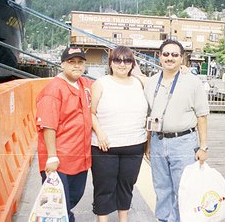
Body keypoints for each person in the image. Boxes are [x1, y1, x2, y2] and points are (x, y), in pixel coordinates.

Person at [144, 39, 210, 222]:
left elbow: (202, 116)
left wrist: (203, 147)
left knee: (183, 188)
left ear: (182, 58)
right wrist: (148, 144)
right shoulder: (151, 82)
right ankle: (163, 219)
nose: (170, 58)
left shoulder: (192, 81)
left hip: (183, 142)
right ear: (159, 57)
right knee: (161, 188)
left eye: (175, 55)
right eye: (166, 54)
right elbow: (150, 115)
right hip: (158, 141)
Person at [36, 46, 93, 222]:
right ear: (62, 64)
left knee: (74, 196)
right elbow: (48, 125)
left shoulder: (84, 84)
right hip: (59, 159)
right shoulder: (53, 90)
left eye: (80, 62)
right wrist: (52, 157)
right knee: (59, 205)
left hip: (80, 158)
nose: (76, 66)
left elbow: (110, 84)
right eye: (71, 62)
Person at [91, 46, 148, 222]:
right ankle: (103, 219)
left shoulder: (140, 82)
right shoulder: (100, 83)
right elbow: (90, 112)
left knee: (127, 185)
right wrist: (100, 133)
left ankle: (123, 219)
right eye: (117, 60)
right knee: (104, 185)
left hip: (135, 143)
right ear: (111, 63)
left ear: (133, 64)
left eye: (127, 60)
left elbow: (166, 78)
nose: (122, 64)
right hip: (105, 145)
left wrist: (183, 70)